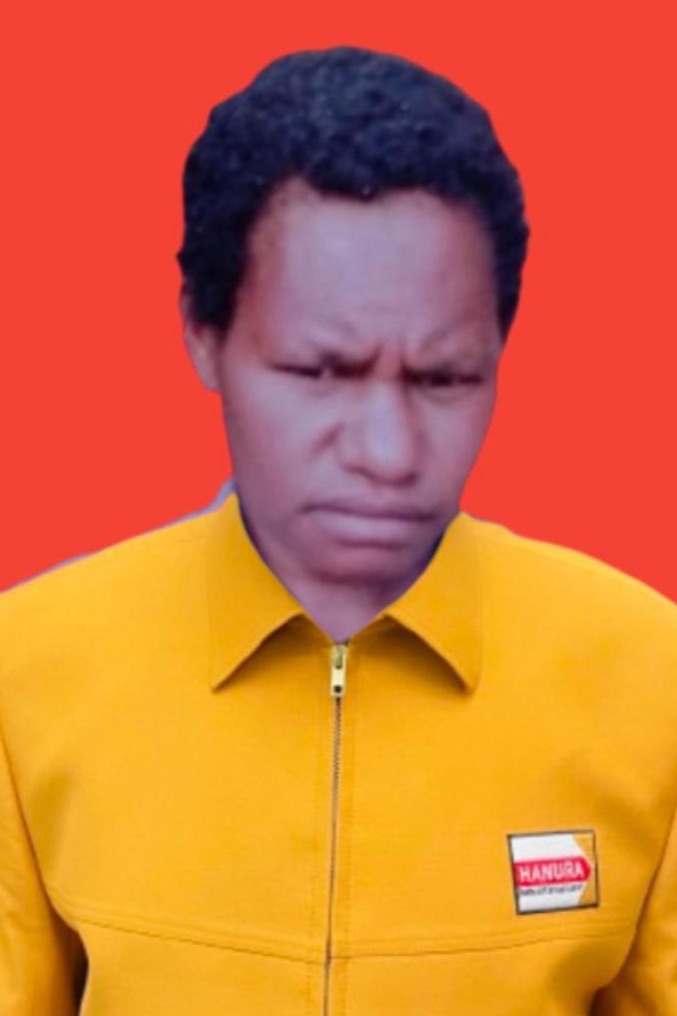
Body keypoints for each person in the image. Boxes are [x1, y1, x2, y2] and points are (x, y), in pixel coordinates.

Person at [1, 46, 676, 1015]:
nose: (387, 450)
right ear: (202, 331)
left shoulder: (648, 677)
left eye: (442, 378)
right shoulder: (25, 673)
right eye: (319, 371)